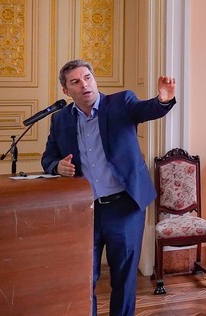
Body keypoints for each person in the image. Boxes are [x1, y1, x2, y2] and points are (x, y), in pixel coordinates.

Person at [41, 59, 177, 316]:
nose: (84, 85)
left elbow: (147, 109)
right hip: (86, 211)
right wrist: (56, 166)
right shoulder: (61, 120)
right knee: (84, 277)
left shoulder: (121, 103)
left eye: (88, 77)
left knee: (123, 279)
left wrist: (163, 100)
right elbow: (48, 157)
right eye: (76, 82)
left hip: (124, 206)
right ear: (66, 91)